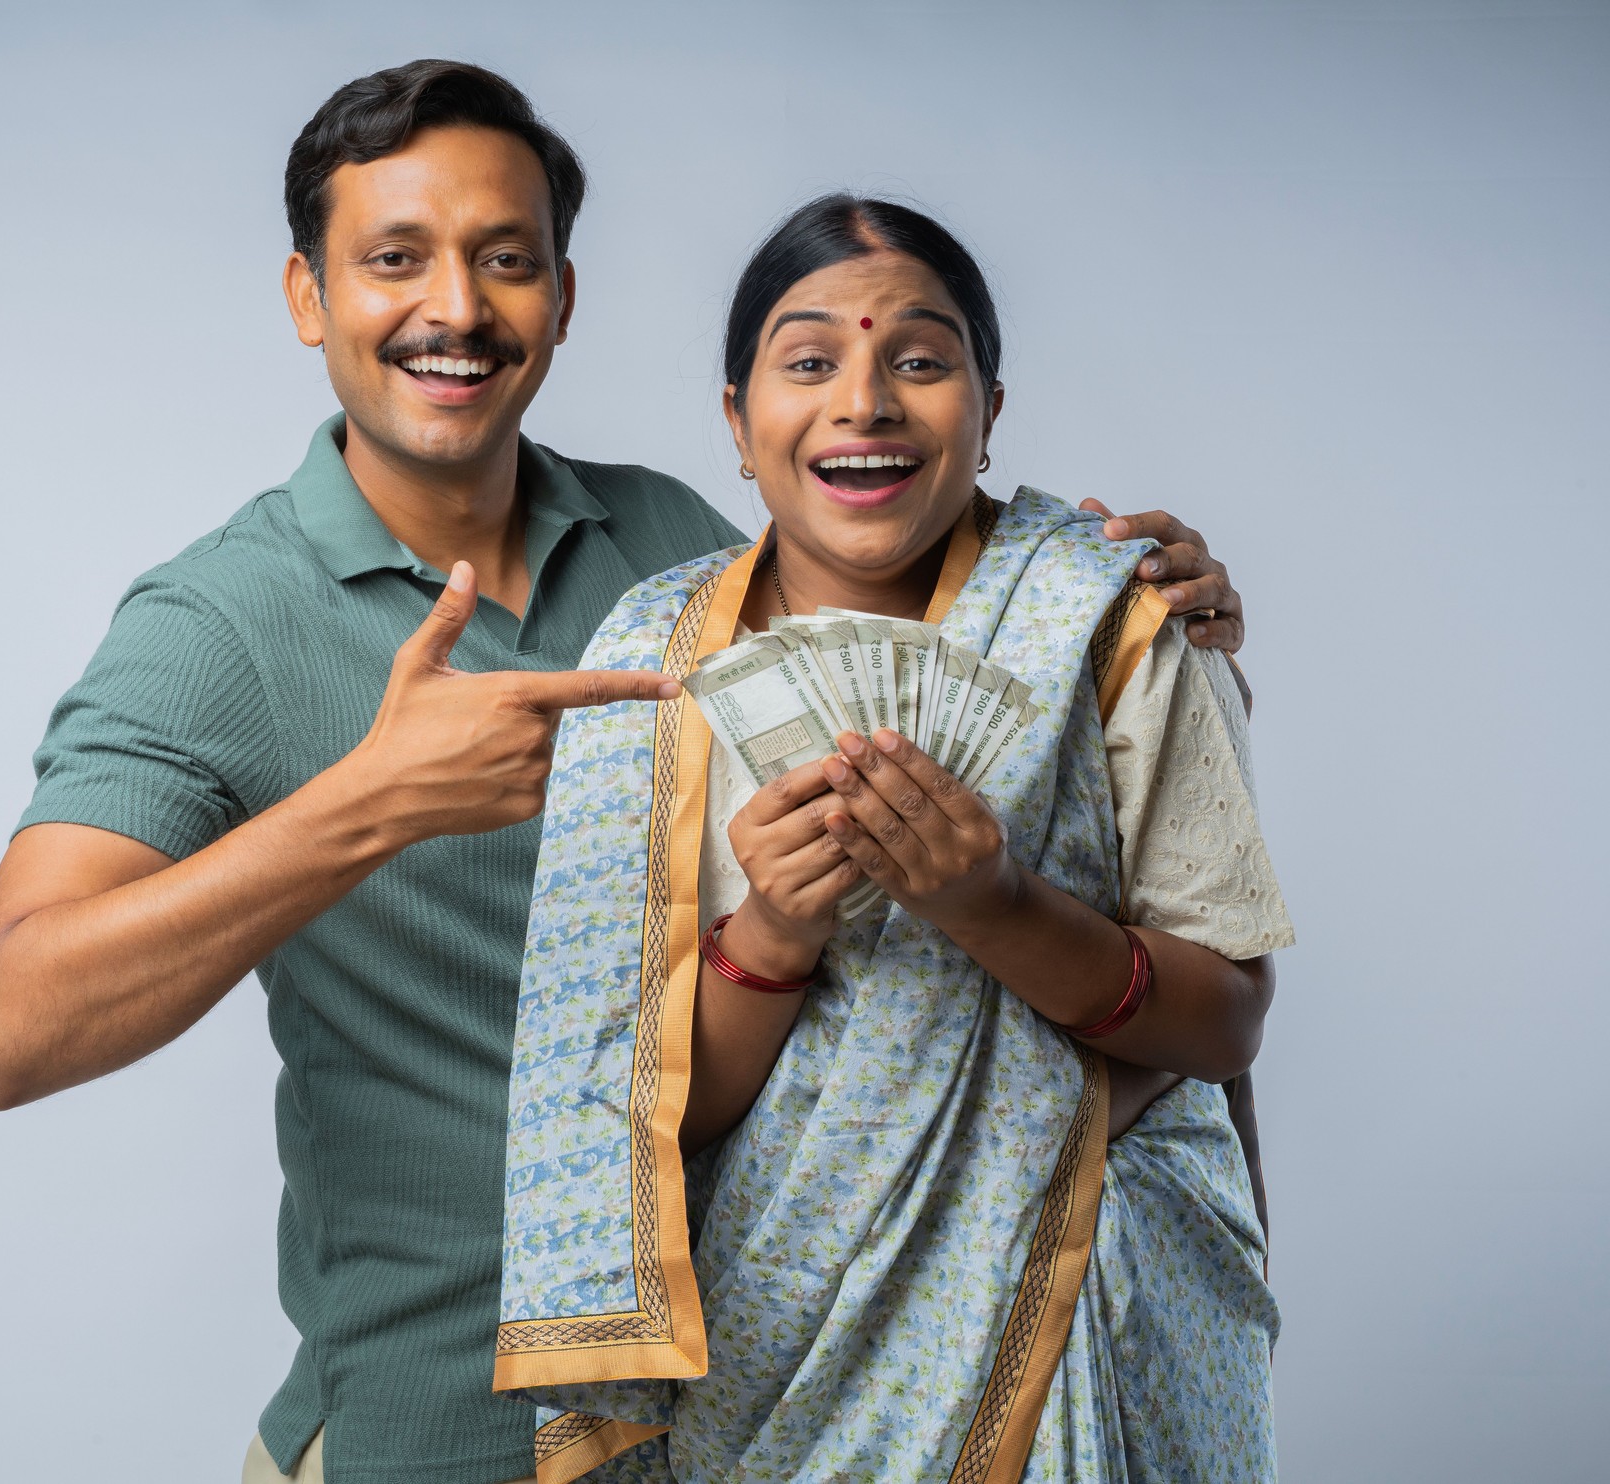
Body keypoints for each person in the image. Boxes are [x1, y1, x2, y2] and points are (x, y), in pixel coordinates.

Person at [0, 60, 1255, 1484]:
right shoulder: (217, 623)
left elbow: (946, 612)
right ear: (308, 298)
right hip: (431, 1419)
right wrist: (376, 797)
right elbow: (8, 1033)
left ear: (562, 301)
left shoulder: (678, 556)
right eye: (394, 260)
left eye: (505, 260)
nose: (454, 307)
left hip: (760, 1396)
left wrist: (1136, 601)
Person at [496, 195, 1290, 1483]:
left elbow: (1229, 1022)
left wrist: (992, 906)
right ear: (737, 422)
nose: (864, 400)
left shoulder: (1116, 618)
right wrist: (776, 931)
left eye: (919, 359)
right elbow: (630, 1122)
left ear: (987, 409)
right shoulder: (647, 667)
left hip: (1077, 1291)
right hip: (765, 1330)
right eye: (809, 361)